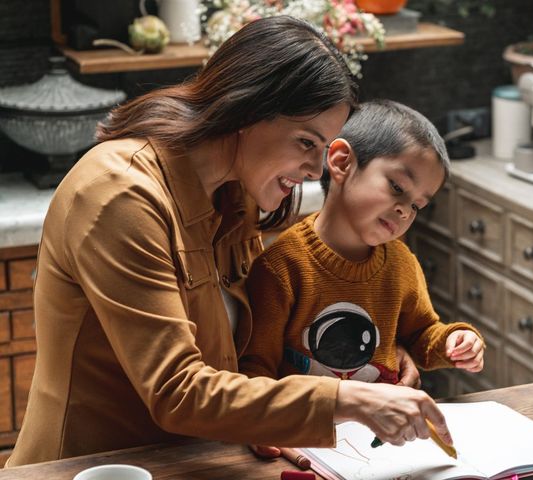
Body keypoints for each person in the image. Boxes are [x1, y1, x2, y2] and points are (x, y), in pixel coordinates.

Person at [5, 17, 454, 468]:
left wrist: (377, 353)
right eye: (305, 142)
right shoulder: (118, 195)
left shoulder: (233, 194)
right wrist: (349, 397)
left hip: (196, 461)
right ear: (246, 110)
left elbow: (247, 348)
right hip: (96, 470)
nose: (315, 169)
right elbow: (178, 391)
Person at [239, 100, 485, 454]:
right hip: (303, 443)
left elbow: (421, 334)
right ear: (341, 163)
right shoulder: (281, 267)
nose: (404, 210)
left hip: (379, 443)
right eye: (398, 187)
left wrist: (454, 340)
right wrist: (266, 428)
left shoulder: (401, 264)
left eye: (417, 205)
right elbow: (255, 369)